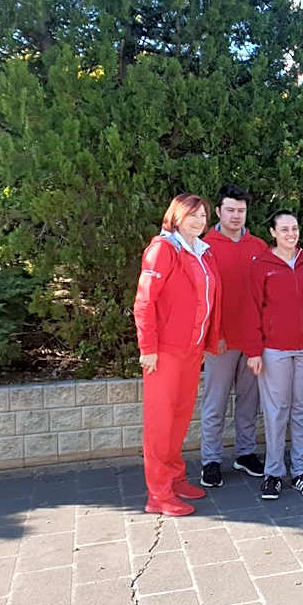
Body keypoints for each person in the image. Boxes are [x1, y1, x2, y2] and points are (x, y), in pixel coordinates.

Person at [134, 194, 222, 516]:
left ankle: (174, 478)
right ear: (177, 216)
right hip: (165, 352)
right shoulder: (163, 249)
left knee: (180, 419)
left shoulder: (202, 252)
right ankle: (157, 495)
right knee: (160, 423)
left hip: (191, 350)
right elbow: (144, 302)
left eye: (203, 216)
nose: (199, 221)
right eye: (192, 215)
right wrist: (148, 349)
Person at [245, 211, 303, 500]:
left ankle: (302, 472)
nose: (290, 234)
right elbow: (253, 309)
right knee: (276, 410)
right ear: (273, 232)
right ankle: (273, 473)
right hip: (274, 350)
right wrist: (254, 351)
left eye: (294, 228)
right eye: (284, 229)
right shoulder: (261, 264)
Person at [199, 184, 266, 488]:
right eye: (230, 210)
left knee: (249, 402)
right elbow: (202, 297)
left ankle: (246, 453)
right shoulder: (205, 247)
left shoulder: (259, 247)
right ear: (218, 212)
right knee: (215, 402)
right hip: (220, 342)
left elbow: (266, 296)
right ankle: (211, 460)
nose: (236, 216)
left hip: (252, 342)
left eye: (241, 210)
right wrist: (216, 334)